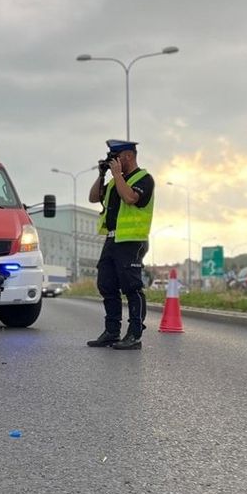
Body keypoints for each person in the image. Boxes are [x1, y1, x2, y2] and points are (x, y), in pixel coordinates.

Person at [86, 139, 155, 350]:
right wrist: (102, 174)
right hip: (113, 239)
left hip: (132, 241)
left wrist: (116, 175)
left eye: (116, 158)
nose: (114, 162)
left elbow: (130, 198)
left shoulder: (144, 178)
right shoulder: (116, 181)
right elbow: (93, 197)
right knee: (106, 284)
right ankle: (112, 332)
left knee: (132, 287)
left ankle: (134, 334)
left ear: (128, 156)